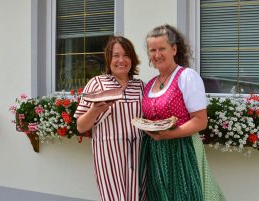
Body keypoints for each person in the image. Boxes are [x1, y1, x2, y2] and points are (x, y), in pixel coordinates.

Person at [139, 24, 226, 201]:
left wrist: (167, 135)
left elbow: (200, 121)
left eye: (162, 48)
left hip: (182, 151)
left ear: (174, 49)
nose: (157, 55)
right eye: (152, 50)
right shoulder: (150, 84)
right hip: (156, 153)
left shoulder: (187, 76)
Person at [74, 36, 144, 201]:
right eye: (116, 56)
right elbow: (80, 127)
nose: (121, 60)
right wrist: (94, 111)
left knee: (139, 196)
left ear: (132, 59)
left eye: (126, 55)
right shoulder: (97, 83)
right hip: (108, 156)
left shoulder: (140, 86)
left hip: (139, 153)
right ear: (108, 59)